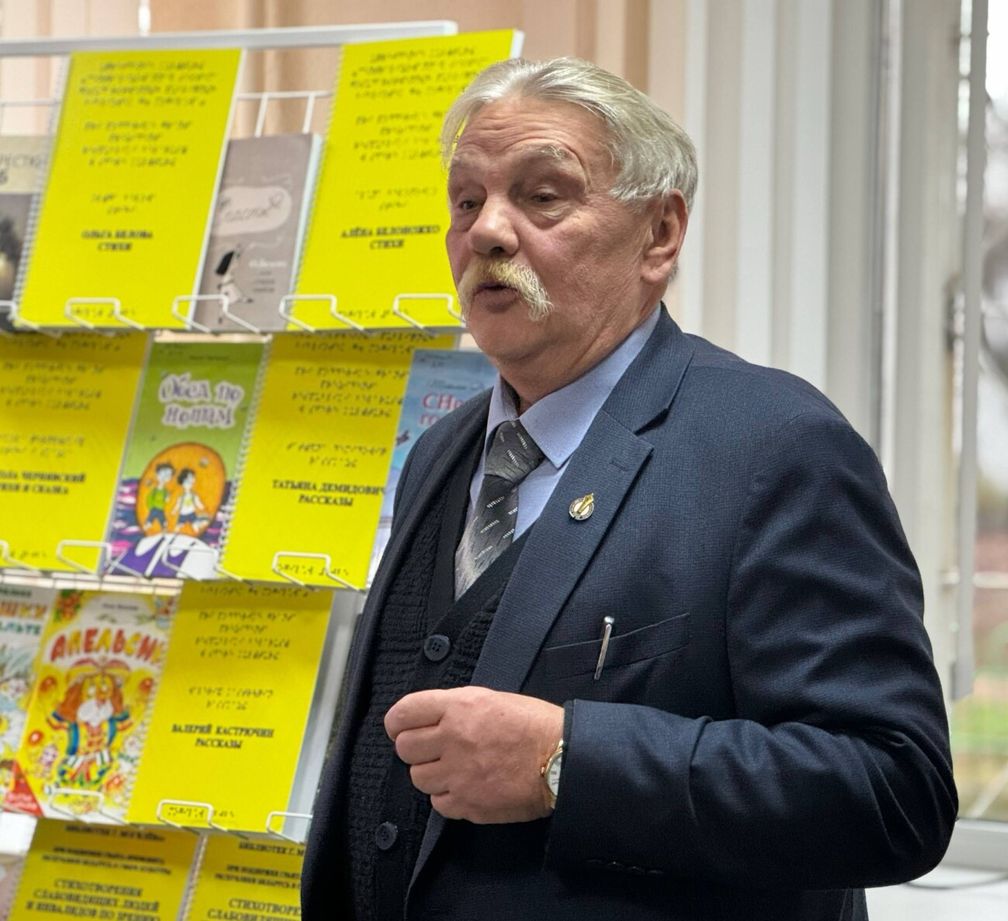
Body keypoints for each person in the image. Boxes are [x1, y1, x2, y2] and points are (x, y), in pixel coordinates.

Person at [301, 57, 956, 921]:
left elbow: (893, 790)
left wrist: (566, 763)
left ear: (660, 234)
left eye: (542, 195)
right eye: (465, 201)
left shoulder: (776, 447)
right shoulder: (440, 452)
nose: (486, 231)